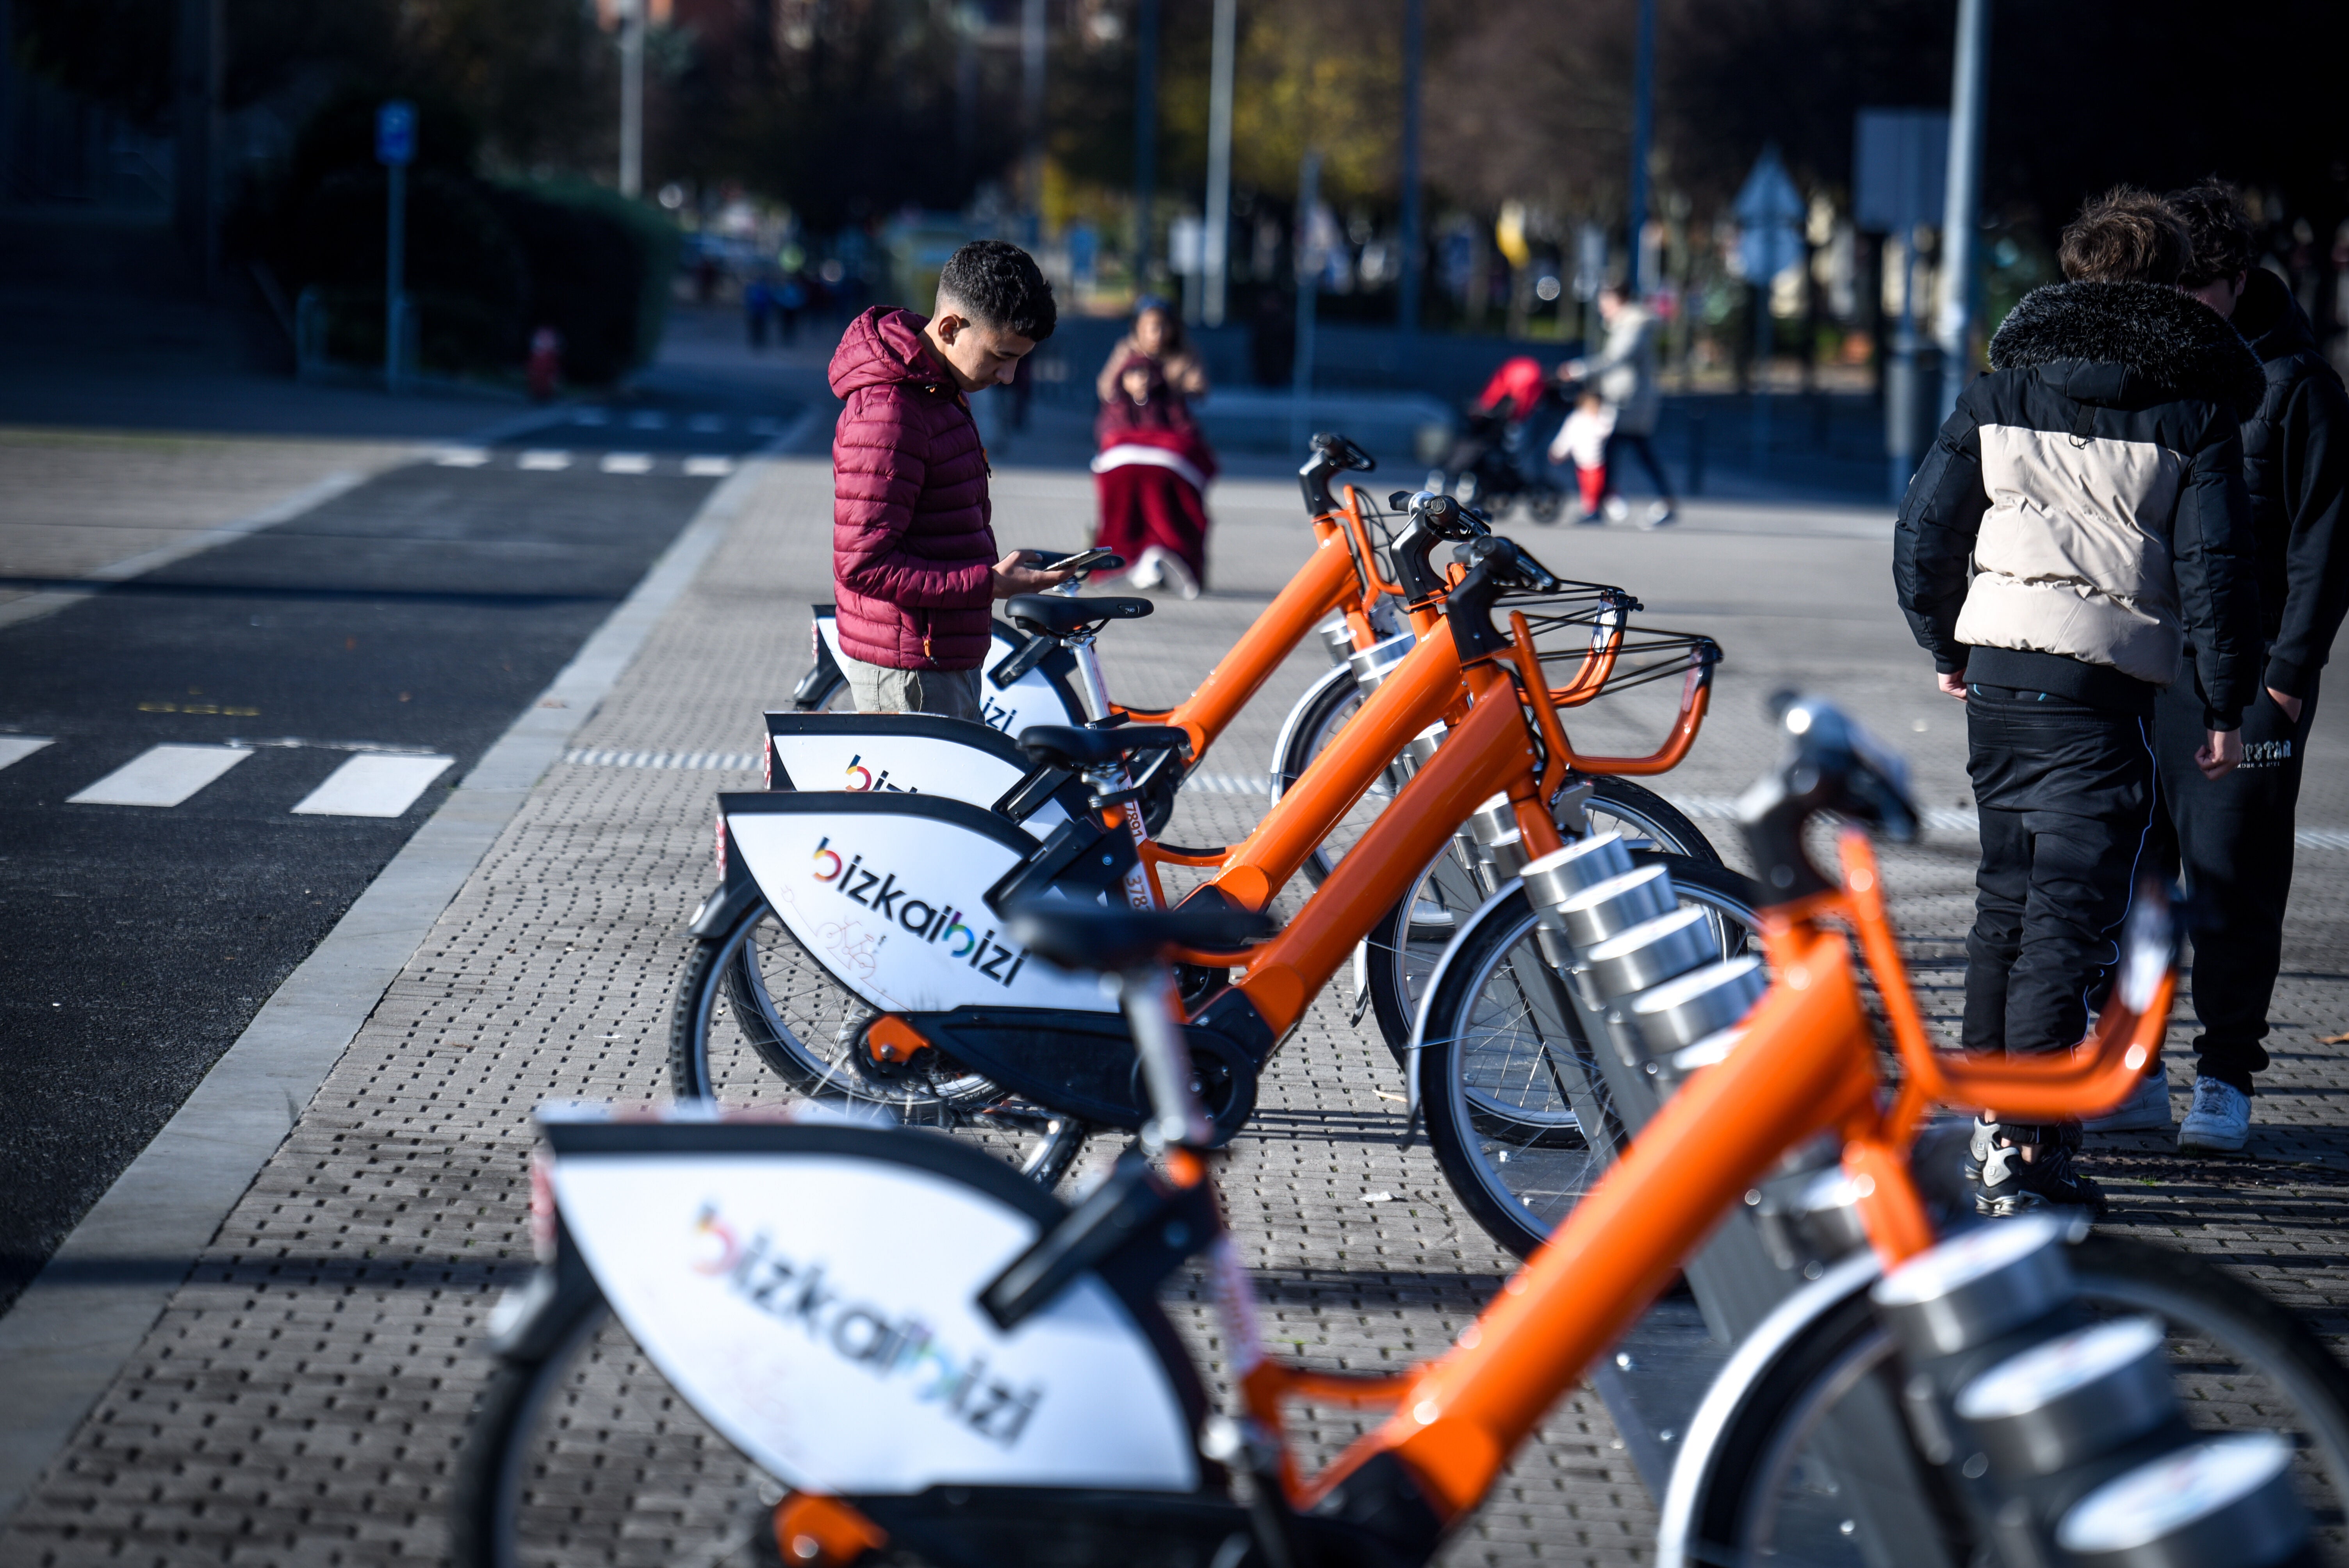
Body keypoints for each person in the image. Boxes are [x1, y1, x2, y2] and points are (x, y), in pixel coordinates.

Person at [1893, 187, 2263, 1217]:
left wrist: (1944, 640)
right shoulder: (2194, 417)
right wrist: (2227, 701)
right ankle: (2029, 1149)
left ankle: (1986, 1126)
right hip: (2100, 691)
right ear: (2169, 292)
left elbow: (1926, 531)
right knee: (2067, 917)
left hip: (2000, 676)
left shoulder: (1996, 392)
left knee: (2005, 901)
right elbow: (2219, 572)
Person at [2135, 181, 2349, 1153]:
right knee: (2134, 876)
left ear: (2235, 280)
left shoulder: (2297, 384)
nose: (2178, 305)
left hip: (2249, 677)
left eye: (2194, 287)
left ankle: (2223, 1075)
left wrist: (2287, 677)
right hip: (2144, 664)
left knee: (2231, 885)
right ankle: (2130, 1067)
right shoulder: (2151, 368)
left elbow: (2324, 545)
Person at [828, 239, 1072, 718]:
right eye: (1001, 355)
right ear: (950, 327)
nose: (1007, 376)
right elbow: (862, 565)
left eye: (1019, 360)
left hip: (933, 655)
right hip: (909, 669)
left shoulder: (936, 389)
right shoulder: (890, 414)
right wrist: (987, 583)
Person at [1091, 352, 1217, 598]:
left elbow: (1188, 435)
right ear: (1123, 379)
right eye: (1134, 374)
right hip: (1128, 476)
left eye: (1146, 373)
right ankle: (1128, 560)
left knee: (1167, 508)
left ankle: (1166, 553)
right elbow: (1109, 438)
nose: (1141, 380)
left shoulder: (1169, 404)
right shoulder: (1117, 406)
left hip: (1166, 477)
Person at [1562, 283, 1675, 528]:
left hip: (1630, 402)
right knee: (1625, 451)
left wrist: (1579, 369)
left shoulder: (1633, 326)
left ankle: (1601, 506)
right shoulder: (1627, 325)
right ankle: (1605, 505)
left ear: (1620, 301)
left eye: (1606, 302)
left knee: (1619, 450)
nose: (1602, 309)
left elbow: (1616, 358)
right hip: (1627, 400)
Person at [1095, 296, 1209, 405]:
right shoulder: (1127, 350)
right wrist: (1128, 386)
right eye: (1151, 327)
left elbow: (1198, 389)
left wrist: (1167, 393)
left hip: (1170, 420)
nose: (1158, 334)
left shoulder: (1185, 353)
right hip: (1131, 420)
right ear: (1138, 327)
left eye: (1164, 326)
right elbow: (1106, 387)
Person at [1548, 388, 1616, 523]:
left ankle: (1594, 510)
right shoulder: (1576, 419)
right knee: (1586, 488)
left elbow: (1606, 429)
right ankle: (1591, 511)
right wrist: (1558, 451)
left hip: (1596, 461)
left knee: (1595, 488)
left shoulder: (1601, 419)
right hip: (1581, 461)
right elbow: (1566, 437)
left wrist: (1600, 414)